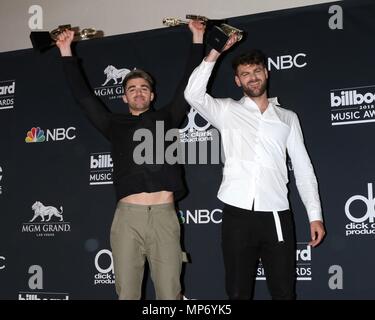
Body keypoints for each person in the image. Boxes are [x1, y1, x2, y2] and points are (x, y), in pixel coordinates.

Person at [56, 21, 205, 300]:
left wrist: (198, 38)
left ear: (152, 94)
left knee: (170, 295)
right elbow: (84, 98)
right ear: (124, 96)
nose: (138, 91)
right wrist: (66, 50)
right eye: (133, 88)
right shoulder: (114, 124)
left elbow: (188, 84)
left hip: (164, 218)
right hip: (127, 220)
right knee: (127, 296)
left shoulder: (167, 118)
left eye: (144, 87)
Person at [184, 36, 326, 300]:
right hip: (237, 215)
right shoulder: (226, 110)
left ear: (266, 73)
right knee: (238, 293)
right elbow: (192, 94)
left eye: (256, 71)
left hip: (276, 214)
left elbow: (303, 168)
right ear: (237, 81)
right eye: (245, 74)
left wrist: (314, 214)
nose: (252, 77)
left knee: (284, 292)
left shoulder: (287, 118)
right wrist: (216, 51)